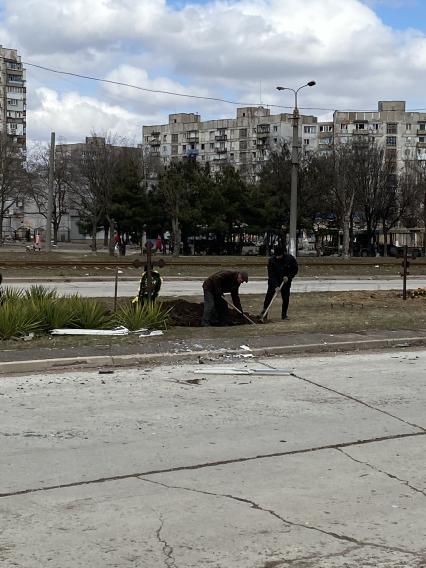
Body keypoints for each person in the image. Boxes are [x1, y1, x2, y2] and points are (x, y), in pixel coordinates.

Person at [261, 246, 298, 320]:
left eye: (279, 255)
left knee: (286, 298)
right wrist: (275, 286)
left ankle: (284, 315)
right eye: (276, 255)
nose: (277, 257)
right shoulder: (271, 260)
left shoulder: (290, 259)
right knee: (268, 297)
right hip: (273, 282)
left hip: (285, 282)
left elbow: (295, 269)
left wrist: (288, 277)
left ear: (283, 254)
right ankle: (264, 313)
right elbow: (271, 275)